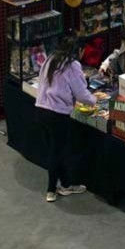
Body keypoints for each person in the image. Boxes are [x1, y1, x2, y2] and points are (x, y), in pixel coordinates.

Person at [34, 35, 94, 202]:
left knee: (53, 150)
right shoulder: (72, 65)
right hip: (57, 114)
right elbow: (82, 94)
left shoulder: (51, 58)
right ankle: (51, 190)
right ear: (79, 50)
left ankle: (66, 185)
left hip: (40, 109)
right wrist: (95, 101)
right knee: (57, 152)